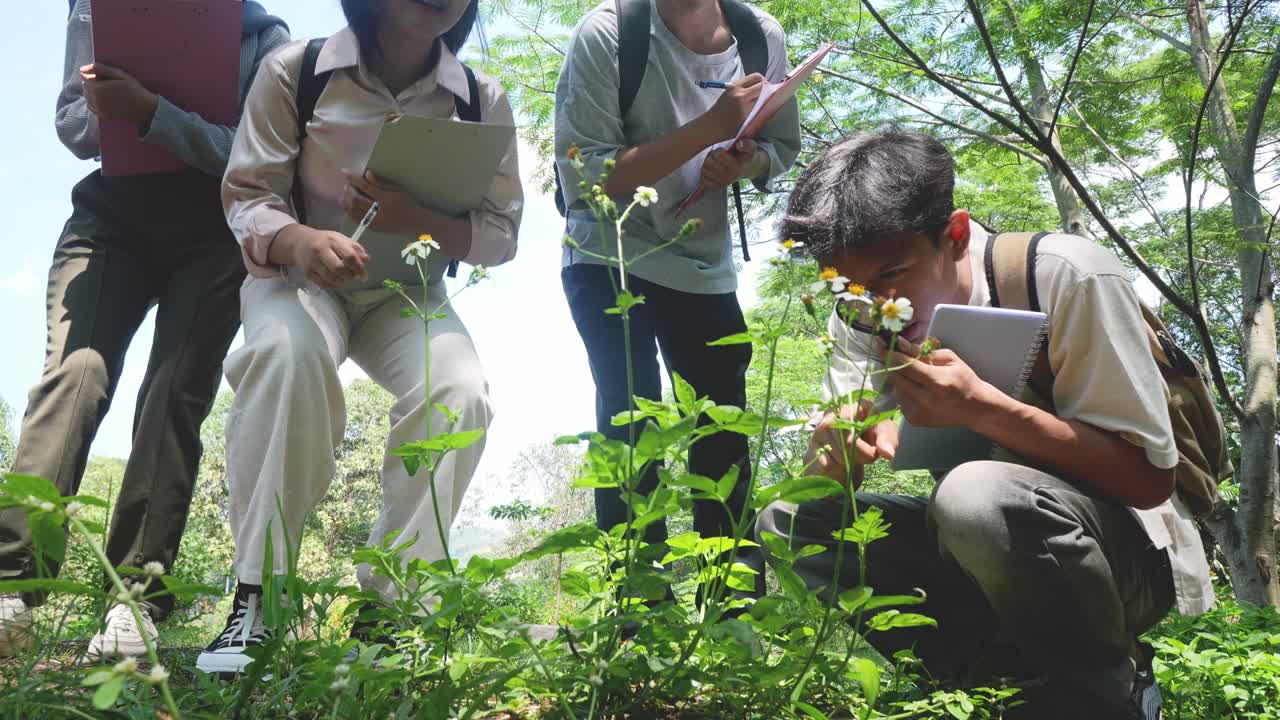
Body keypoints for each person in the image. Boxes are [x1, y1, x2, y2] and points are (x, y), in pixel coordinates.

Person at [755, 130, 1215, 720]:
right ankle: (987, 686)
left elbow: (1151, 481)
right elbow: (826, 479)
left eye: (894, 272)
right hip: (983, 548)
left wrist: (984, 409)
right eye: (848, 288)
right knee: (791, 516)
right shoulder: (865, 314)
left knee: (974, 494)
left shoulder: (1065, 276)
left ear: (956, 235)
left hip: (1129, 554)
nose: (877, 305)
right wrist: (834, 457)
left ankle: (1102, 694)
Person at [195, 0, 521, 675]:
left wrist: (418, 215)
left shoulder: (481, 100)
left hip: (408, 291)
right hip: (298, 280)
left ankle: (389, 611)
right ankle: (258, 598)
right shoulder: (298, 70)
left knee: (458, 390)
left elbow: (500, 235)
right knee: (287, 356)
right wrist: (301, 239)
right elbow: (248, 193)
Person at [0, 1, 289, 660]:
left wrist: (153, 113)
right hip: (112, 219)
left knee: (174, 393)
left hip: (215, 230)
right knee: (74, 378)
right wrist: (116, 107)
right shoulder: (98, 9)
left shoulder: (266, 38)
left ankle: (135, 599)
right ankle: (11, 586)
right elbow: (74, 123)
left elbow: (255, 158)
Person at [554, 0, 800, 599]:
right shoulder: (608, 34)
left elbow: (781, 148)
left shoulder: (758, 35)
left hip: (703, 262)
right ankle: (641, 618)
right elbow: (584, 179)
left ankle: (734, 615)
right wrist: (710, 128)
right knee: (629, 424)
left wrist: (745, 160)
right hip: (610, 254)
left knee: (724, 434)